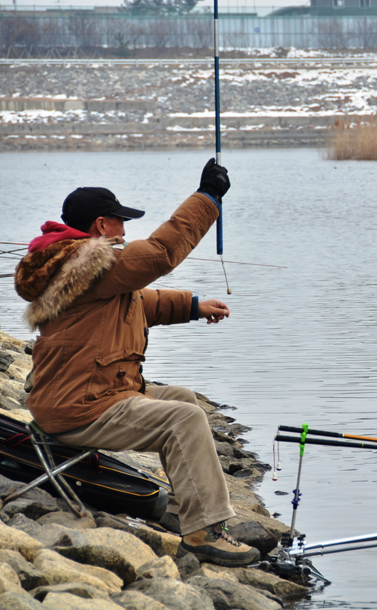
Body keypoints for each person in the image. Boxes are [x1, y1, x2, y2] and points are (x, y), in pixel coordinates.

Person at [13, 159, 260, 568]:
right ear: (100, 225)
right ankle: (205, 533)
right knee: (184, 420)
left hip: (83, 393)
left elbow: (135, 302)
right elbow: (161, 253)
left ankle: (185, 508)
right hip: (80, 406)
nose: (125, 232)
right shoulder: (89, 263)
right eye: (120, 222)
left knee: (182, 399)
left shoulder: (72, 266)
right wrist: (208, 198)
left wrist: (192, 306)